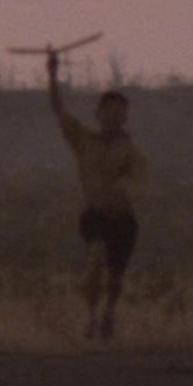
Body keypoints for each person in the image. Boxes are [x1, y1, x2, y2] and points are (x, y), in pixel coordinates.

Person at [46, 49, 147, 341]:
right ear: (98, 113)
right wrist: (53, 75)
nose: (113, 116)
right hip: (95, 215)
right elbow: (58, 110)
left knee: (115, 277)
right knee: (94, 260)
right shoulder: (83, 140)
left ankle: (109, 313)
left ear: (125, 116)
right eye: (108, 110)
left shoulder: (132, 151)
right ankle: (91, 317)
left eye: (119, 112)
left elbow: (138, 183)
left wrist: (123, 191)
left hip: (123, 220)